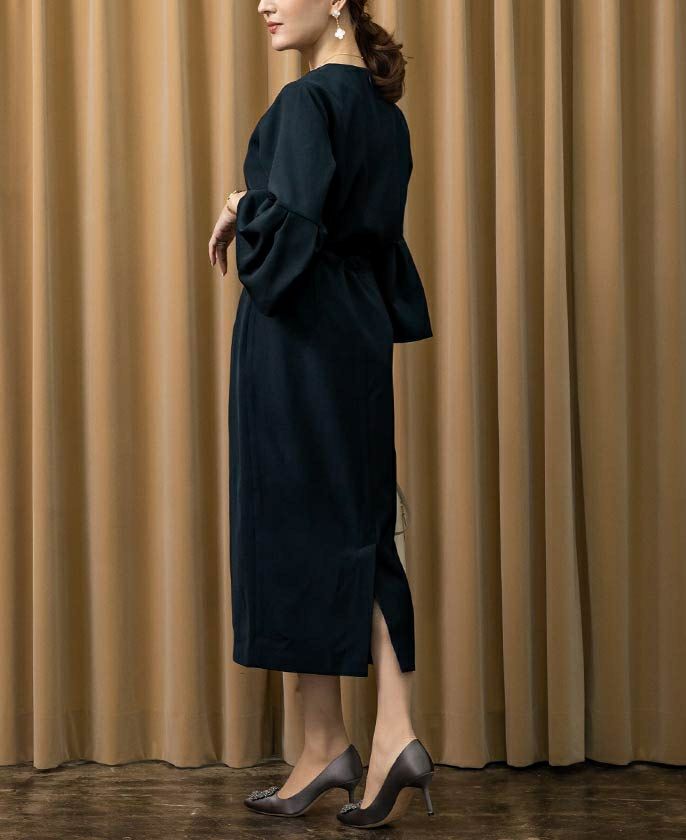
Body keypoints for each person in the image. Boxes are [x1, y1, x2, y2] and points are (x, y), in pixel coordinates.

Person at [208, 0, 435, 828]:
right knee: (352, 521)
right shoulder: (383, 114)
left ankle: (389, 733)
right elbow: (359, 229)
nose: (263, 4)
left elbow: (289, 241)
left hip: (298, 343)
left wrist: (242, 203)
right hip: (356, 335)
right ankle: (327, 745)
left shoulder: (306, 102)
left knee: (305, 524)